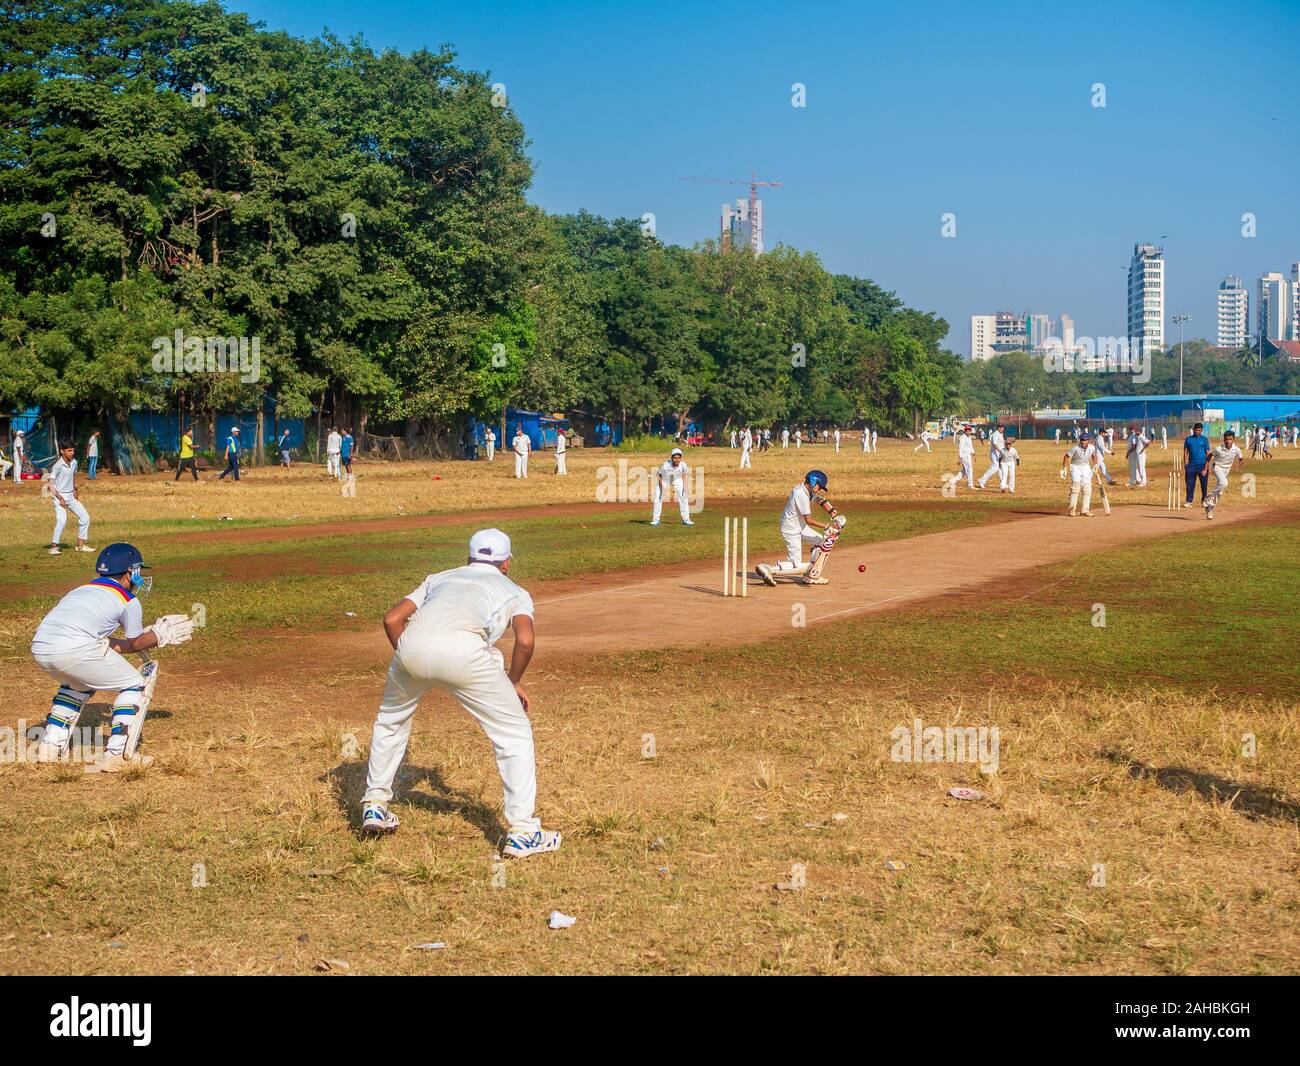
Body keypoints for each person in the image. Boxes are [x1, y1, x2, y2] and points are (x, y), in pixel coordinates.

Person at [359, 529, 561, 860]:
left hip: (411, 646)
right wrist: (513, 681)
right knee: (513, 734)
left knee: (391, 722)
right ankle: (524, 832)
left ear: (468, 558)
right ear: (506, 563)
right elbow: (525, 640)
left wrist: (416, 661)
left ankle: (375, 805)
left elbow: (393, 618)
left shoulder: (439, 577)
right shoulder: (514, 590)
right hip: (465, 654)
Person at [30, 543, 192, 771]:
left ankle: (50, 747)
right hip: (76, 649)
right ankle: (118, 755)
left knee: (77, 685)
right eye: (138, 572)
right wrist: (160, 635)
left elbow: (109, 643)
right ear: (130, 572)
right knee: (135, 686)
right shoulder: (127, 600)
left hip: (42, 647)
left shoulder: (80, 590)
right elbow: (136, 643)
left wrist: (149, 636)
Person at [755, 470, 837, 586]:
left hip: (799, 526)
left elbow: (820, 499)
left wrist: (833, 513)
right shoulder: (801, 494)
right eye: (819, 487)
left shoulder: (807, 490)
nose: (819, 490)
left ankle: (811, 575)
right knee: (796, 563)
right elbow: (809, 520)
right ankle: (768, 569)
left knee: (822, 542)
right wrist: (827, 526)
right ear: (814, 482)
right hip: (791, 529)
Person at [48, 440, 92, 556]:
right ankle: (53, 547)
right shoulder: (57, 466)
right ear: (62, 451)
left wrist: (75, 490)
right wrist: (60, 498)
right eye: (69, 450)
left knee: (85, 517)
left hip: (70, 495)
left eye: (73, 450)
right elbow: (50, 485)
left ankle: (80, 545)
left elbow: (72, 476)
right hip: (58, 496)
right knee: (62, 520)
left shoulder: (74, 463)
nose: (72, 453)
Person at [1203, 430, 1245, 520]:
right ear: (1223, 439)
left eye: (1230, 439)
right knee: (1224, 483)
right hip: (1217, 467)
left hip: (1226, 471)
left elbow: (1241, 459)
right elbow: (1209, 456)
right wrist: (1205, 467)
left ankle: (1210, 508)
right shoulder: (1218, 449)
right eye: (1226, 439)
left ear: (1233, 439)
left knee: (1220, 491)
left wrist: (1237, 467)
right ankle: (1208, 496)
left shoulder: (1236, 449)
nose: (1228, 441)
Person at [651, 448, 693, 526]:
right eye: (675, 458)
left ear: (681, 458)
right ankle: (655, 519)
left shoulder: (683, 465)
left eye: (679, 458)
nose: (677, 460)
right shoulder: (666, 465)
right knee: (658, 497)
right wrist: (662, 487)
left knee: (684, 497)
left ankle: (686, 519)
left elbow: (684, 475)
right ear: (671, 458)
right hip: (664, 479)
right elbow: (658, 474)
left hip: (677, 479)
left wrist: (685, 487)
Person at [1062, 431, 1099, 516]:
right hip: (1075, 466)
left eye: (1085, 440)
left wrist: (1096, 465)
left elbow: (1094, 456)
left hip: (1085, 466)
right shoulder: (1076, 448)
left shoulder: (1092, 448)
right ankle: (1072, 509)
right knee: (1076, 486)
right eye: (1082, 440)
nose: (1083, 442)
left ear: (1088, 441)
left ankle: (1085, 510)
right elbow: (1066, 457)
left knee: (1087, 488)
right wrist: (1064, 468)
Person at [1182, 422, 1210, 506]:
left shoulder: (1204, 440)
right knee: (1190, 484)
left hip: (1202, 465)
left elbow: (1208, 453)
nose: (1197, 432)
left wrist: (1206, 466)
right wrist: (1185, 464)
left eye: (1199, 430)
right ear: (1193, 430)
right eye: (1196, 430)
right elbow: (1185, 452)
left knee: (1204, 484)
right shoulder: (1188, 439)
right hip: (1191, 465)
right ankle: (1189, 501)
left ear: (1201, 431)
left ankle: (1204, 500)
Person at [977, 423, 1005, 489]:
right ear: (997, 428)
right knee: (994, 468)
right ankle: (982, 480)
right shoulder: (996, 434)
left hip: (999, 454)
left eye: (1002, 427)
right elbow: (995, 444)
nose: (1001, 428)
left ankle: (1003, 484)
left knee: (1000, 469)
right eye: (999, 427)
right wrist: (1000, 451)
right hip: (995, 454)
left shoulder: (1000, 434)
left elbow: (1001, 444)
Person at [955, 425, 975, 489]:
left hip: (968, 454)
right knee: (969, 469)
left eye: (969, 430)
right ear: (965, 431)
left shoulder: (969, 437)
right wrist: (960, 457)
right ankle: (970, 484)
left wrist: (973, 453)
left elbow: (971, 446)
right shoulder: (962, 437)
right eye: (967, 430)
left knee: (964, 471)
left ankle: (952, 481)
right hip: (964, 455)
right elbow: (960, 447)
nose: (968, 431)